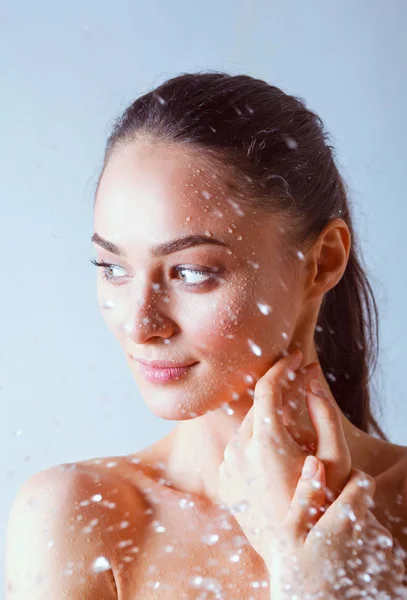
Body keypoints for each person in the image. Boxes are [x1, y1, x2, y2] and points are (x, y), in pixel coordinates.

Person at [6, 71, 407, 599]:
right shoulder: (78, 518)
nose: (140, 323)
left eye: (191, 272)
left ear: (322, 261)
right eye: (112, 268)